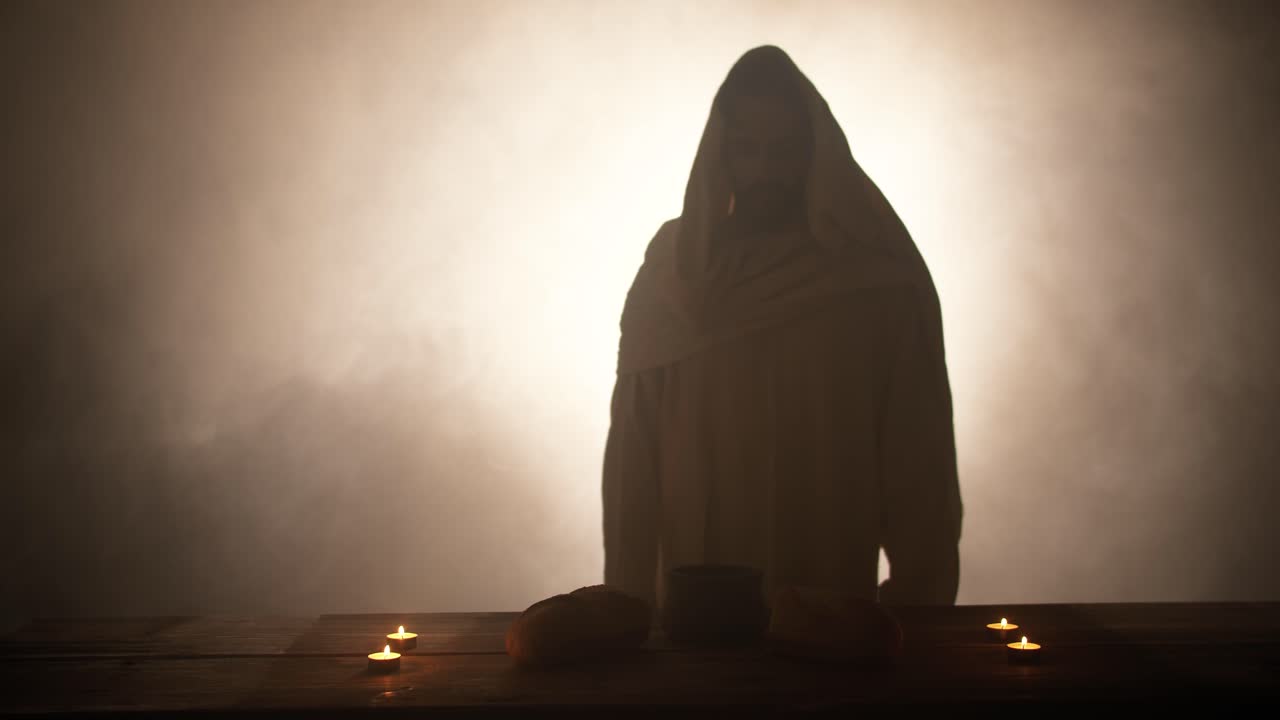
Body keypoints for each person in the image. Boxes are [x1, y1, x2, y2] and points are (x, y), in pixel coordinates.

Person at [602, 45, 962, 610]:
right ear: (722, 157)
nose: (765, 171)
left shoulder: (873, 282)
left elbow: (919, 463)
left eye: (785, 151)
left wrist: (919, 613)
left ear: (814, 154)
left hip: (828, 613)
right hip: (697, 625)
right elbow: (632, 462)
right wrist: (623, 611)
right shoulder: (674, 275)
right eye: (748, 149)